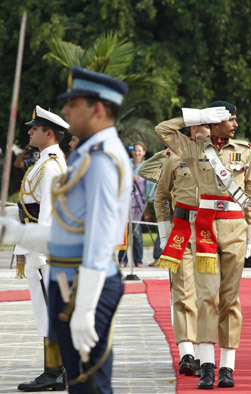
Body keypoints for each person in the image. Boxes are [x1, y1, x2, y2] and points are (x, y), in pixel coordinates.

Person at [0, 66, 131, 393]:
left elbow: (99, 242)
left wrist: (85, 307)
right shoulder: (87, 153)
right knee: (79, 384)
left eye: (73, 104)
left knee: (90, 385)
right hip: (68, 277)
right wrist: (12, 234)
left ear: (97, 109)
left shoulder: (102, 159)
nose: (66, 111)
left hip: (83, 284)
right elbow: (68, 232)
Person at [155, 102, 251, 389]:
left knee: (230, 299)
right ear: (215, 122)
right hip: (203, 230)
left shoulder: (245, 150)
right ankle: (207, 365)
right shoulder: (194, 149)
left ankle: (228, 366)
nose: (235, 124)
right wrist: (198, 117)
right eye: (230, 119)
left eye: (236, 119)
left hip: (235, 229)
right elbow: (163, 129)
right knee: (206, 298)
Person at [12, 106, 69, 392]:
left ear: (48, 134)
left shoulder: (52, 166)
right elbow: (30, 207)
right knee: (45, 309)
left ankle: (56, 371)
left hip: (47, 249)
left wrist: (38, 252)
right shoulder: (46, 162)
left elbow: (48, 212)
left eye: (34, 128)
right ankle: (55, 370)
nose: (29, 131)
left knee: (50, 309)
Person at [153, 123, 210, 376]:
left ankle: (203, 353)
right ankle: (187, 352)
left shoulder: (220, 158)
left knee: (207, 293)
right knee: (183, 290)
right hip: (183, 228)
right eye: (202, 124)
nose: (207, 129)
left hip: (212, 230)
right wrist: (165, 233)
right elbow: (161, 196)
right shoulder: (173, 158)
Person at [120, 141, 153, 267]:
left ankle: (138, 260)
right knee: (123, 233)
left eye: (139, 150)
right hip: (125, 201)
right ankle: (123, 260)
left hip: (139, 201)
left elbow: (148, 180)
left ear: (144, 152)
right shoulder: (126, 162)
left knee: (137, 233)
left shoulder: (146, 165)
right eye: (135, 150)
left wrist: (136, 177)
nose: (136, 152)